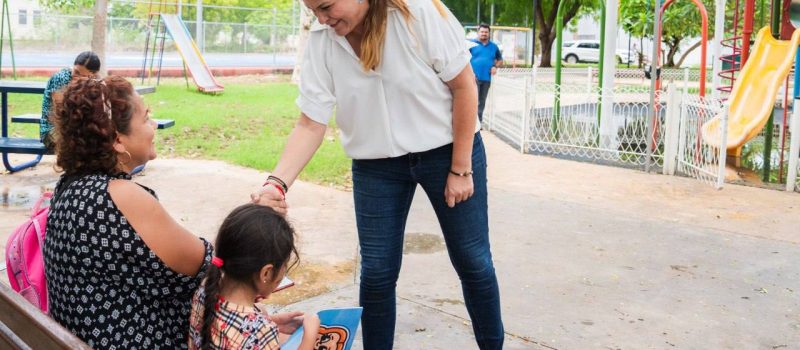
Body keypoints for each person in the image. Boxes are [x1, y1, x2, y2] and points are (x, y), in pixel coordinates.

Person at [252, 0, 505, 348]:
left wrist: (460, 168)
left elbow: (464, 86)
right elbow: (310, 122)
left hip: (447, 149)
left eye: (326, 7)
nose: (321, 19)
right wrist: (276, 184)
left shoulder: (416, 13)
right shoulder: (323, 40)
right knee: (377, 273)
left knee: (473, 261)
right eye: (313, 12)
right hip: (377, 164)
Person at [44, 76, 212, 349]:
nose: (153, 126)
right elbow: (210, 265)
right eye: (146, 118)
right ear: (118, 140)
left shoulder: (69, 188)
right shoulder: (121, 196)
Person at [188, 204, 321, 350]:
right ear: (266, 273)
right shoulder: (261, 330)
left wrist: (272, 321)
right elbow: (251, 335)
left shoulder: (206, 288)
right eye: (285, 264)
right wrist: (309, 336)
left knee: (261, 309)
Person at [40, 51, 101, 149]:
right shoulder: (61, 78)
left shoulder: (94, 83)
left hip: (77, 130)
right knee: (80, 144)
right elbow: (60, 112)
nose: (75, 76)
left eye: (81, 75)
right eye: (75, 71)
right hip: (53, 130)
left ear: (92, 75)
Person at [468, 23, 503, 123]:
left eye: (486, 32)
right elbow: (463, 59)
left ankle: (478, 123)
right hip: (472, 78)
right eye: (482, 32)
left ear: (489, 33)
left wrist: (495, 66)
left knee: (481, 102)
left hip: (486, 78)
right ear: (478, 32)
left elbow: (500, 60)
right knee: (472, 101)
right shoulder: (471, 44)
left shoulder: (494, 46)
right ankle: (470, 123)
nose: (484, 34)